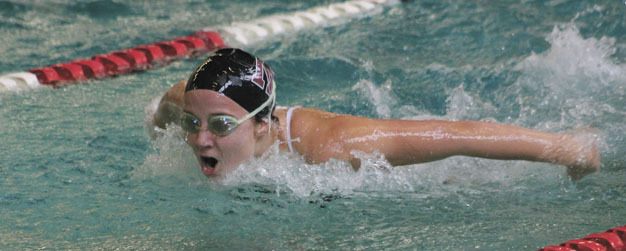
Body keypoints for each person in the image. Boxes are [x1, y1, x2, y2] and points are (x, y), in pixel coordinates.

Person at [150, 48, 600, 180]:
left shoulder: (330, 150)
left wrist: (568, 149)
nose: (200, 139)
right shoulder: (193, 99)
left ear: (263, 123)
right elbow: (167, 107)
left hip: (450, 172)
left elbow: (454, 136)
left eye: (222, 126)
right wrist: (162, 122)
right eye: (194, 123)